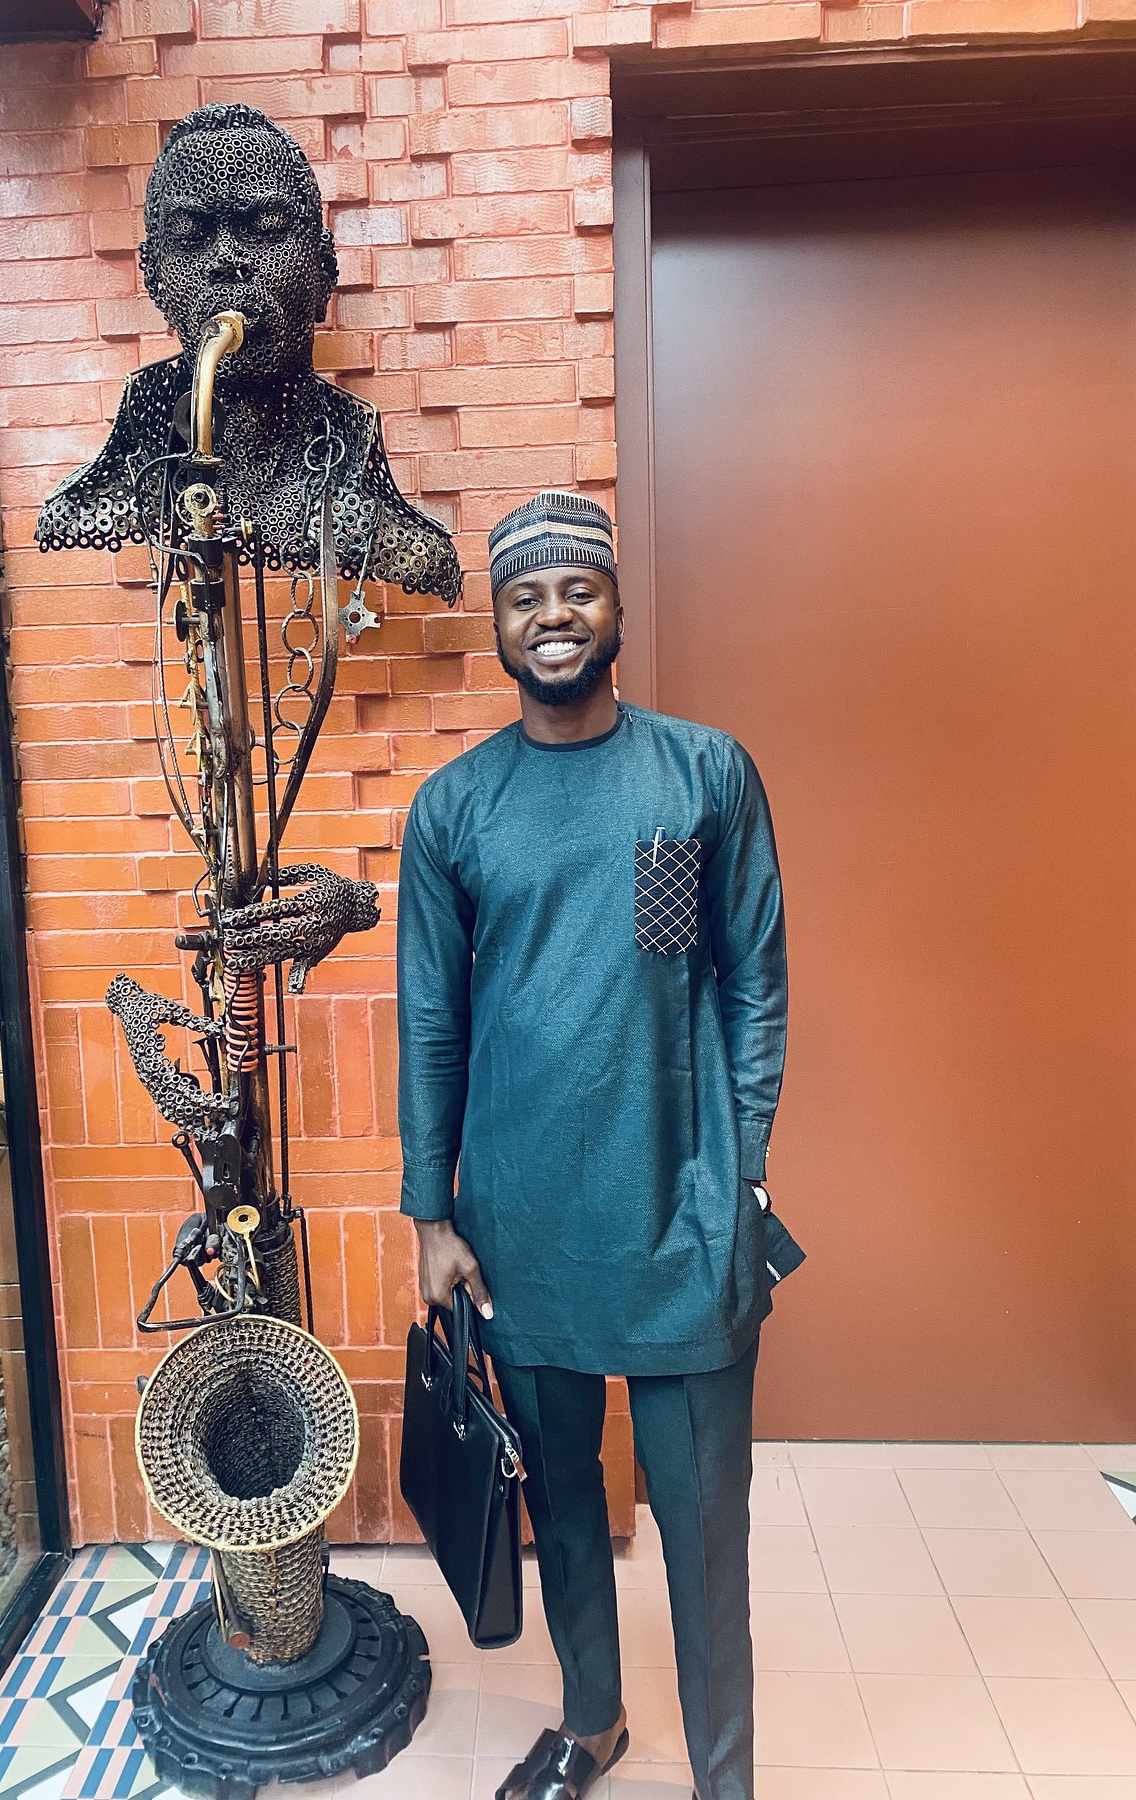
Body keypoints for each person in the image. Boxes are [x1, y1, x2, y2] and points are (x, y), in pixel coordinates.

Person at [395, 491, 803, 1800]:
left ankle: (725, 1775)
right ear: (498, 624)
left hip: (682, 1215)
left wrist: (742, 1165)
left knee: (703, 1528)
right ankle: (591, 1723)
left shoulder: (699, 776)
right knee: (563, 1504)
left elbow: (748, 978)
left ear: (616, 605)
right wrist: (431, 1214)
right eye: (525, 596)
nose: (553, 615)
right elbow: (431, 1019)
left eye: (577, 589)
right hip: (520, 1226)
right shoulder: (456, 808)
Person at [36, 102, 459, 603]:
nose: (226, 261)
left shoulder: (374, 514)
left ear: (322, 270)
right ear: (155, 280)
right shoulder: (108, 490)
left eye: (266, 226)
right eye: (190, 235)